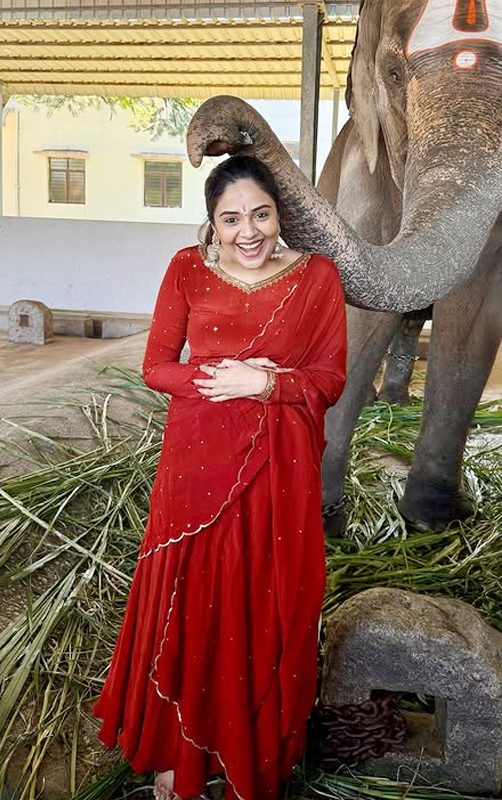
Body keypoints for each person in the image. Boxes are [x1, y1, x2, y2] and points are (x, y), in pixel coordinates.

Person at [93, 155, 347, 800]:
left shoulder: (316, 277)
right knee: (193, 591)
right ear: (211, 222)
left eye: (260, 214)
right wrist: (223, 378)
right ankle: (177, 748)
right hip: (196, 461)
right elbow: (156, 365)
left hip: (277, 468)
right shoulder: (186, 267)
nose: (248, 232)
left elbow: (331, 378)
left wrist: (265, 382)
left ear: (280, 214)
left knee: (260, 592)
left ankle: (247, 745)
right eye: (230, 219)